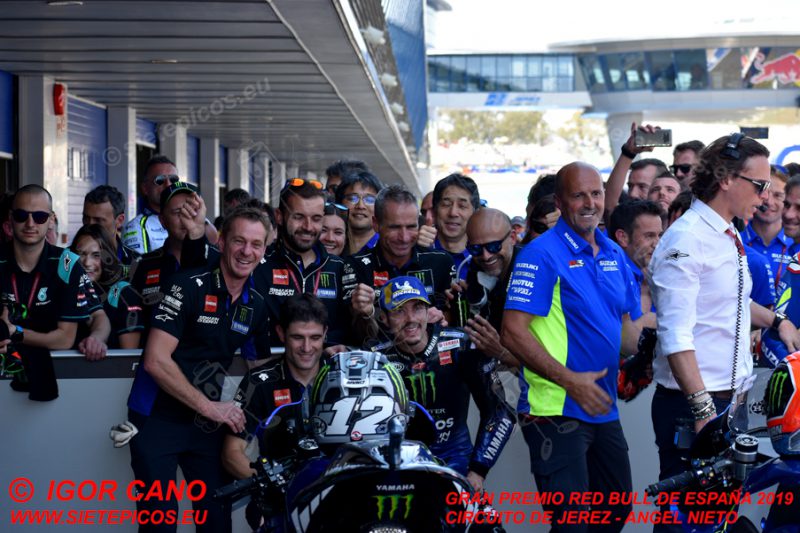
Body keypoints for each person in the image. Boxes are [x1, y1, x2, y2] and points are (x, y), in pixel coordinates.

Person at [649, 134, 800, 532]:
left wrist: (777, 321)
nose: (767, 197)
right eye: (760, 185)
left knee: (715, 522)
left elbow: (727, 303)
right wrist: (703, 415)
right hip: (692, 407)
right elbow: (676, 336)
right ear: (726, 179)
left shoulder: (727, 234)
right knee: (683, 524)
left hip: (726, 404)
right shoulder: (685, 238)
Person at [501, 162, 643, 530]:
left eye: (595, 193)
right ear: (560, 203)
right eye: (578, 195)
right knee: (573, 522)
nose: (589, 202)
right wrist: (569, 380)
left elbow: (629, 334)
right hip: (554, 409)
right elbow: (512, 332)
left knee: (615, 509)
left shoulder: (613, 253)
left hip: (602, 406)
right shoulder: (540, 253)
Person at [126, 206, 273, 533]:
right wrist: (213, 408)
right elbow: (155, 360)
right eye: (239, 241)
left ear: (264, 251)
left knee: (217, 521)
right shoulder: (186, 285)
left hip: (204, 426)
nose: (246, 251)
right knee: (160, 524)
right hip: (155, 419)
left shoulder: (257, 304)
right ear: (221, 241)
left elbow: (260, 369)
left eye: (256, 244)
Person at [367, 275, 515, 493]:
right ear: (384, 319)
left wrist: (477, 470)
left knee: (486, 527)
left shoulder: (461, 345)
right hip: (397, 467)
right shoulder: (375, 359)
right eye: (399, 311)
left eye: (417, 308)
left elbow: (500, 411)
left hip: (456, 464)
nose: (410, 319)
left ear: (429, 311)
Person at [0, 185, 100, 401]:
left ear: (51, 219)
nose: (30, 224)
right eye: (21, 215)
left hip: (61, 383)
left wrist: (14, 332)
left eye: (39, 216)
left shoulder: (68, 265)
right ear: (10, 218)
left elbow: (64, 339)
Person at [222, 294, 327, 479]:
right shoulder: (257, 382)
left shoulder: (341, 373)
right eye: (297, 337)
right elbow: (231, 452)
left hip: (334, 493)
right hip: (281, 496)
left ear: (325, 333)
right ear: (280, 333)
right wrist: (272, 485)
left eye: (315, 337)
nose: (307, 347)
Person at [252, 178, 351, 348]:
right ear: (279, 216)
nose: (308, 226)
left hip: (327, 371)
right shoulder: (256, 265)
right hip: (269, 370)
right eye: (298, 217)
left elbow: (353, 331)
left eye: (316, 218)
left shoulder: (341, 268)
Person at [345, 184, 456, 325]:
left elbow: (455, 322)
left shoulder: (441, 262)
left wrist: (442, 320)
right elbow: (353, 332)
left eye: (411, 227)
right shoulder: (356, 266)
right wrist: (367, 314)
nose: (404, 237)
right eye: (394, 227)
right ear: (376, 224)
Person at [129, 182, 211, 316]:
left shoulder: (220, 260)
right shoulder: (143, 265)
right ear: (163, 221)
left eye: (192, 210)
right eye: (178, 212)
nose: (186, 218)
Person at [70, 224, 144, 349]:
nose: (87, 263)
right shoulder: (66, 288)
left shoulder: (125, 293)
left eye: (96, 255)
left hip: (111, 368)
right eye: (81, 254)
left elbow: (128, 358)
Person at [608, 200, 663, 327]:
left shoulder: (665, 275)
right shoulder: (609, 278)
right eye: (649, 236)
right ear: (623, 237)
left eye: (659, 235)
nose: (658, 244)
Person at [741, 165, 791, 294]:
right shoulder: (734, 239)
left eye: (778, 195)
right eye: (764, 191)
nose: (769, 201)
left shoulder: (796, 246)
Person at [604, 122, 664, 217]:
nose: (632, 194)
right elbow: (608, 207)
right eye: (630, 186)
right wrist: (629, 152)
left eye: (642, 187)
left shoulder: (679, 222)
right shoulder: (625, 224)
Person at [122, 155, 177, 254]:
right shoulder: (136, 227)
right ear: (145, 188)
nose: (168, 185)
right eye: (159, 180)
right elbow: (137, 268)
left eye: (173, 180)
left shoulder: (191, 217)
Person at [431, 173, 480, 280]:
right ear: (434, 210)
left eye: (462, 206)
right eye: (446, 204)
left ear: (475, 213)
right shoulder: (420, 253)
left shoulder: (484, 258)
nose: (453, 213)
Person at [83, 185, 139, 267]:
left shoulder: (135, 262)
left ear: (119, 220)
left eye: (98, 220)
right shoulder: (68, 258)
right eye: (86, 218)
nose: (90, 225)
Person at [335, 170, 383, 256]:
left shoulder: (388, 247)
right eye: (353, 198)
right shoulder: (331, 243)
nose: (361, 206)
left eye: (369, 200)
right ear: (340, 203)